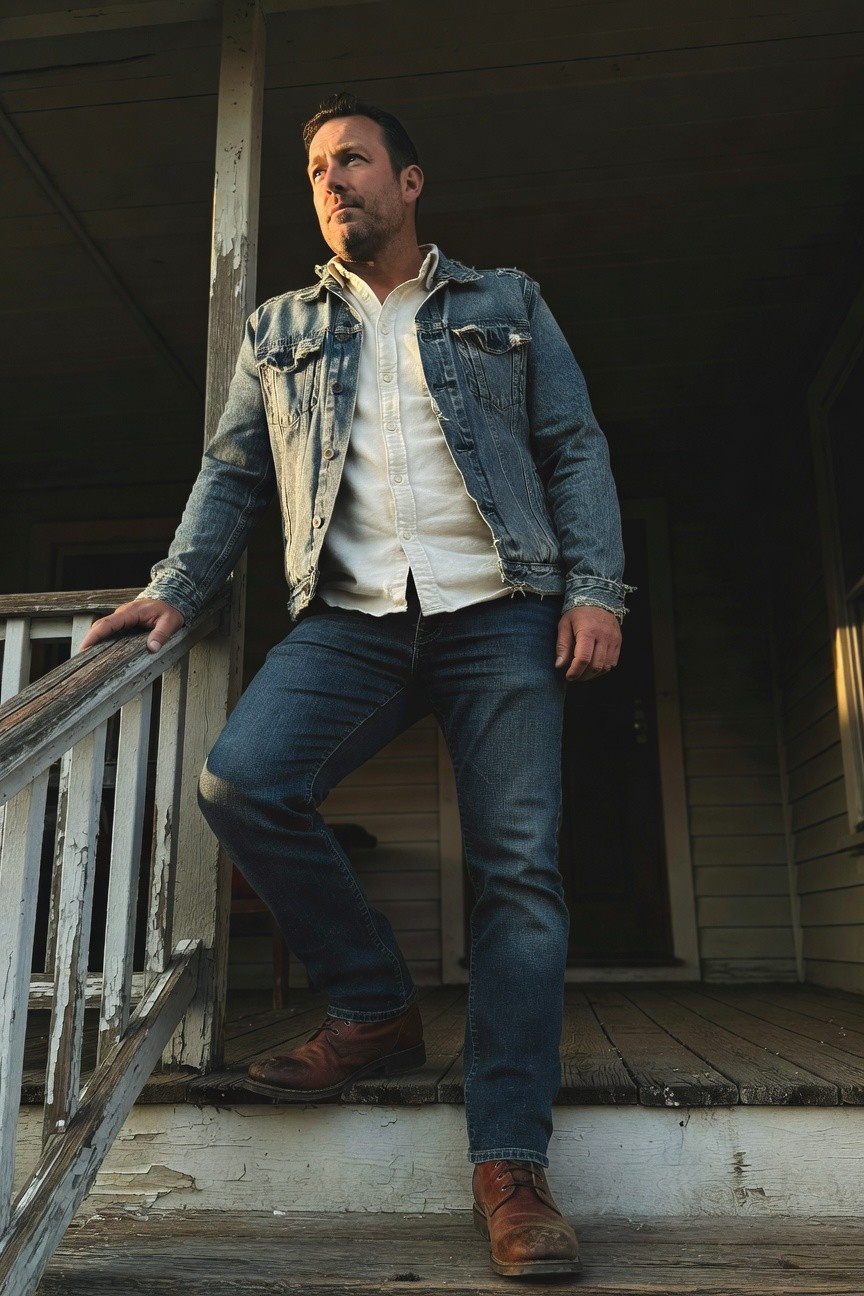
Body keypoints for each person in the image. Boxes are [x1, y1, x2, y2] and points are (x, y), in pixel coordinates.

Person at [81, 92, 628, 1279]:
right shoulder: (279, 327)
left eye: (355, 162)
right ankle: (376, 1005)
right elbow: (232, 472)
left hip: (503, 611)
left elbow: (573, 444)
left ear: (411, 182)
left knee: (518, 875)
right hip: (353, 619)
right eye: (318, 170)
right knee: (243, 779)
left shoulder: (506, 302)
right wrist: (175, 590)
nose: (334, 184)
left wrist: (596, 587)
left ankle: (512, 1167)